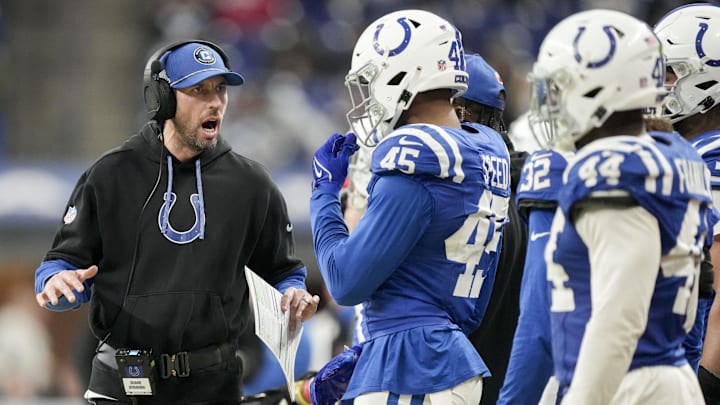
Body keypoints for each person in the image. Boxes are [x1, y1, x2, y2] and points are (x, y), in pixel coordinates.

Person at [33, 40, 319, 404]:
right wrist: (58, 283)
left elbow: (282, 272)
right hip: (123, 381)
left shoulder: (252, 185)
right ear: (162, 99)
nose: (215, 101)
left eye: (220, 89)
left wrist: (292, 295)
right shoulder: (108, 176)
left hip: (213, 384)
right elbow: (60, 263)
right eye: (199, 90)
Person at [310, 9, 510, 404]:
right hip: (435, 353)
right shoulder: (485, 148)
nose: (369, 96)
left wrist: (324, 192)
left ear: (403, 74)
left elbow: (344, 281)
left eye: (372, 80)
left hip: (414, 366)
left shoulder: (416, 155)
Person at [531, 9, 710, 404]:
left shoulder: (614, 168)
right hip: (656, 376)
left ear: (600, 89)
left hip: (627, 382)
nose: (553, 101)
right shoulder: (673, 156)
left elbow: (619, 320)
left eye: (561, 86)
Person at [450, 53, 529, 405]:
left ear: (460, 112)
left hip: (449, 385)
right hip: (516, 387)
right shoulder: (531, 188)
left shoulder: (450, 189)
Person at [654, 4, 720, 402]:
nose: (658, 85)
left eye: (670, 72)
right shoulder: (690, 152)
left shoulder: (709, 158)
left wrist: (705, 385)